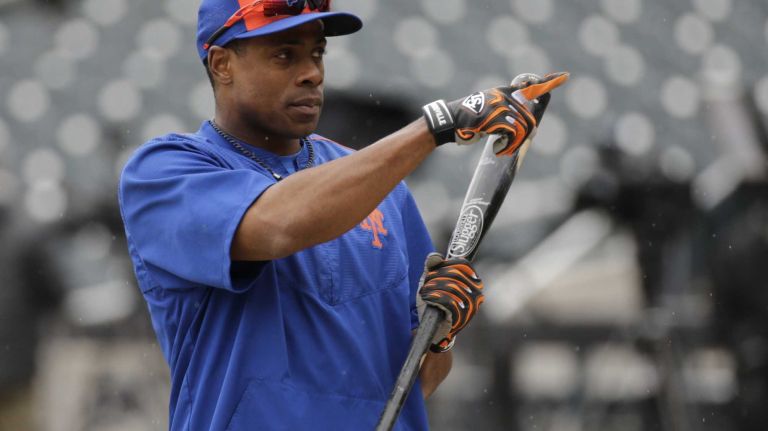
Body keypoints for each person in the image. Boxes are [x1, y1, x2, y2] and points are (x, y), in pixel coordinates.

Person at [118, 1, 567, 429]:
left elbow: (414, 382)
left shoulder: (383, 189)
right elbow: (279, 223)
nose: (311, 74)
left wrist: (440, 333)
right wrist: (434, 125)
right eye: (283, 55)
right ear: (222, 64)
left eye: (317, 54)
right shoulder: (164, 172)